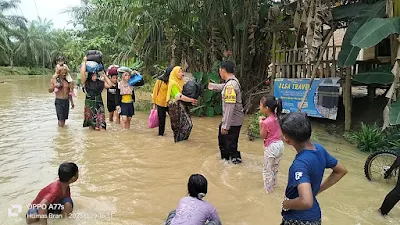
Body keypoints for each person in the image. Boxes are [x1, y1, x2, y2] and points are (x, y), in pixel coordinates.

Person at [279, 112, 348, 225]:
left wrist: (286, 204)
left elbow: (306, 201)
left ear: (287, 138)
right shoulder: (319, 149)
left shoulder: (299, 165)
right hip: (314, 217)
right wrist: (316, 191)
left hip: (298, 219)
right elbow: (341, 170)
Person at [208, 61, 244, 164]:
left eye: (220, 71)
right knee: (229, 144)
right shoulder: (233, 82)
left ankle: (232, 166)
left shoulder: (230, 86)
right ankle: (231, 162)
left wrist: (225, 126)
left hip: (231, 123)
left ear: (223, 71)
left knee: (228, 146)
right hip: (235, 121)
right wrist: (212, 86)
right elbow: (224, 86)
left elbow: (229, 107)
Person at [80, 56, 113, 130]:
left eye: (95, 74)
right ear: (90, 75)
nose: (94, 75)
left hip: (99, 105)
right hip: (90, 105)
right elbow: (82, 73)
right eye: (93, 74)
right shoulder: (86, 82)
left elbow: (110, 85)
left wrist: (104, 75)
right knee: (91, 125)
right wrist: (84, 61)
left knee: (101, 125)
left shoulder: (100, 82)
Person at [259, 95, 284, 193]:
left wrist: (260, 124)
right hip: (280, 145)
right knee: (275, 168)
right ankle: (273, 185)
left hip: (271, 147)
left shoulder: (266, 122)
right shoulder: (277, 117)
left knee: (267, 170)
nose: (259, 107)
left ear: (266, 108)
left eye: (261, 105)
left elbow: (263, 136)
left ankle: (268, 191)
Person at [166, 66, 197, 142]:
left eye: (182, 72)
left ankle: (183, 142)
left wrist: (191, 101)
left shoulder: (182, 82)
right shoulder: (173, 83)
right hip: (175, 108)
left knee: (188, 125)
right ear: (175, 73)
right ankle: (179, 143)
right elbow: (178, 96)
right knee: (179, 127)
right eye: (179, 72)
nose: (181, 73)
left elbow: (185, 94)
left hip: (182, 106)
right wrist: (190, 100)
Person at [152, 66, 173, 136]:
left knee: (174, 119)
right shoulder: (160, 81)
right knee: (161, 121)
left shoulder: (173, 81)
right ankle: (161, 135)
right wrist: (154, 104)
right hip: (160, 103)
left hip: (170, 103)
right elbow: (155, 92)